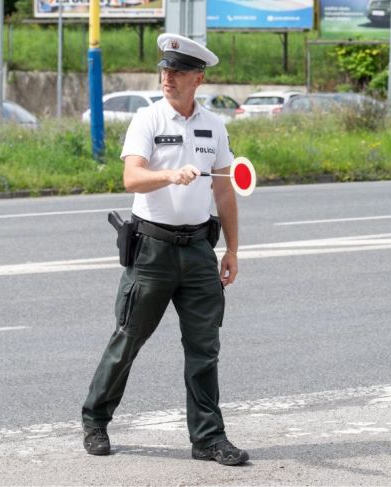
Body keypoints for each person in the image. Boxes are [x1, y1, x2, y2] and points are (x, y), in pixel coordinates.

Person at [81, 33, 249, 467]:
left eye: (176, 72)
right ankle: (95, 419)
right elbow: (131, 179)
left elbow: (225, 191)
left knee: (204, 347)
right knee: (129, 338)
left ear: (198, 77)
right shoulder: (148, 119)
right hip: (152, 248)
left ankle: (209, 439)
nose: (167, 78)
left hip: (197, 250)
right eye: (164, 70)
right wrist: (169, 177)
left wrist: (231, 249)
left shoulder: (214, 125)